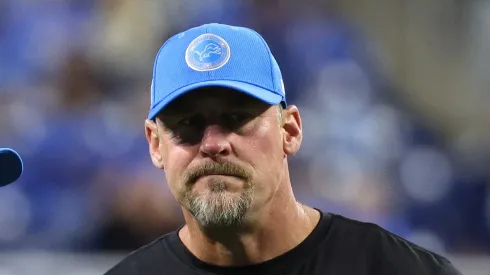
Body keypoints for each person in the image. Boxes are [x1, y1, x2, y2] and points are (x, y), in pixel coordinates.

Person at [104, 23, 462, 275]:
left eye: (237, 118)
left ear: (289, 130)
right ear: (155, 145)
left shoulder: (394, 269)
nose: (213, 144)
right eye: (187, 126)